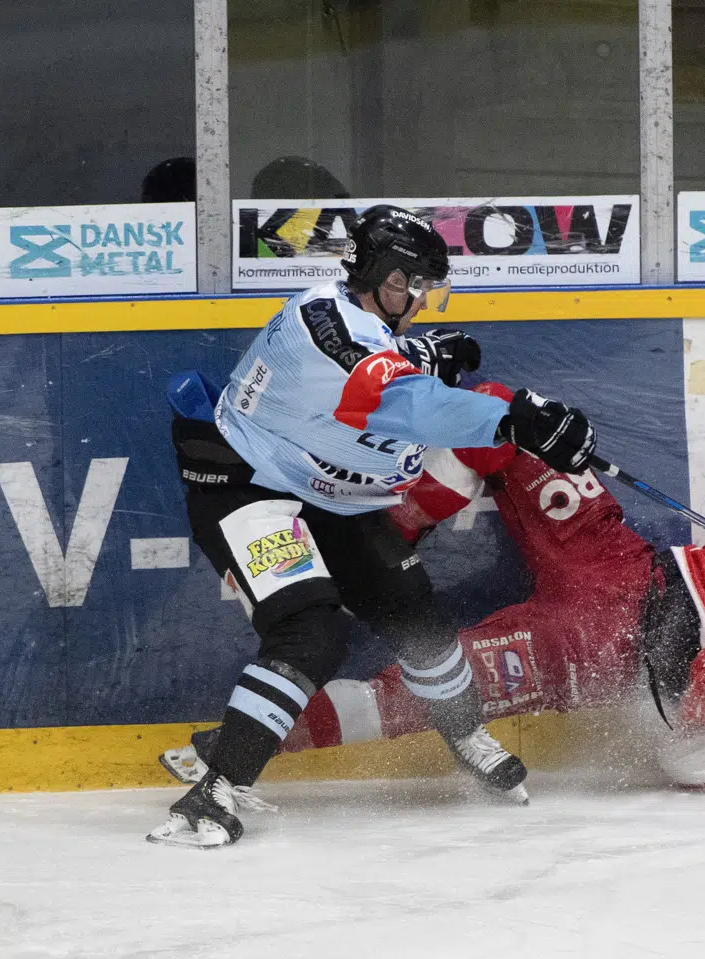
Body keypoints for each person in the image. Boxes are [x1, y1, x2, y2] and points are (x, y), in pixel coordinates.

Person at [163, 393, 705, 797]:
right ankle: (372, 538)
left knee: (422, 696)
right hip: (620, 565)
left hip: (588, 661)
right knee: (514, 422)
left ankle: (239, 745)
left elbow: (681, 757)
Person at [149, 206, 597, 848]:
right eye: (413, 285)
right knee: (312, 631)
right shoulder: (320, 323)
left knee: (415, 614)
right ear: (384, 278)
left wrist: (432, 354)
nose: (421, 300)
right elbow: (395, 396)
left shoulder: (360, 320)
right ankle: (214, 792)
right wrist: (516, 420)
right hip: (250, 488)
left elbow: (386, 357)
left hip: (331, 496)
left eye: (427, 288)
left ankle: (465, 735)